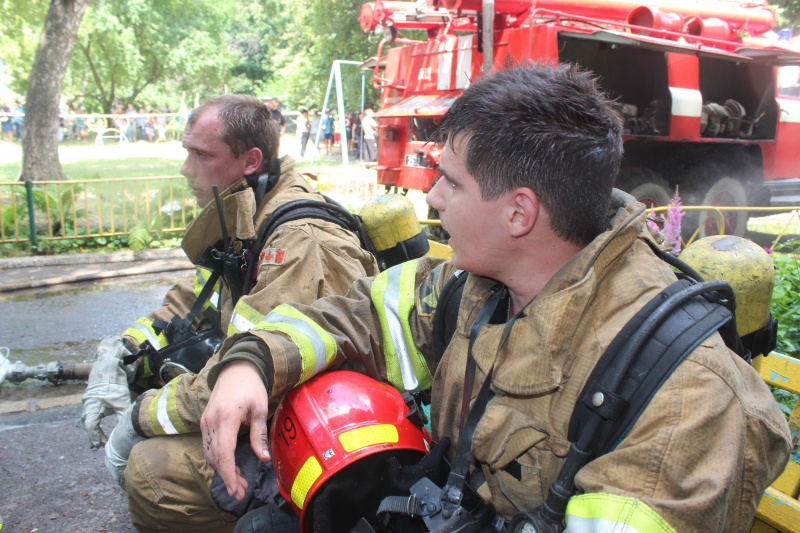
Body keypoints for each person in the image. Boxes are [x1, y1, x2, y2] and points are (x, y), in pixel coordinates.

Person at [201, 64, 791, 533]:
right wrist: (250, 362)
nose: (431, 199)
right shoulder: (474, 285)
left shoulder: (687, 401)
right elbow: (355, 315)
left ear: (519, 212)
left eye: (451, 182)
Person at [79, 94, 379, 532]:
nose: (186, 169)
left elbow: (248, 378)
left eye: (201, 155)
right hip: (280, 406)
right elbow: (198, 300)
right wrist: (124, 349)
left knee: (151, 470)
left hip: (314, 435)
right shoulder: (254, 210)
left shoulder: (299, 243)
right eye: (187, 152)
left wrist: (138, 417)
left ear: (250, 160)